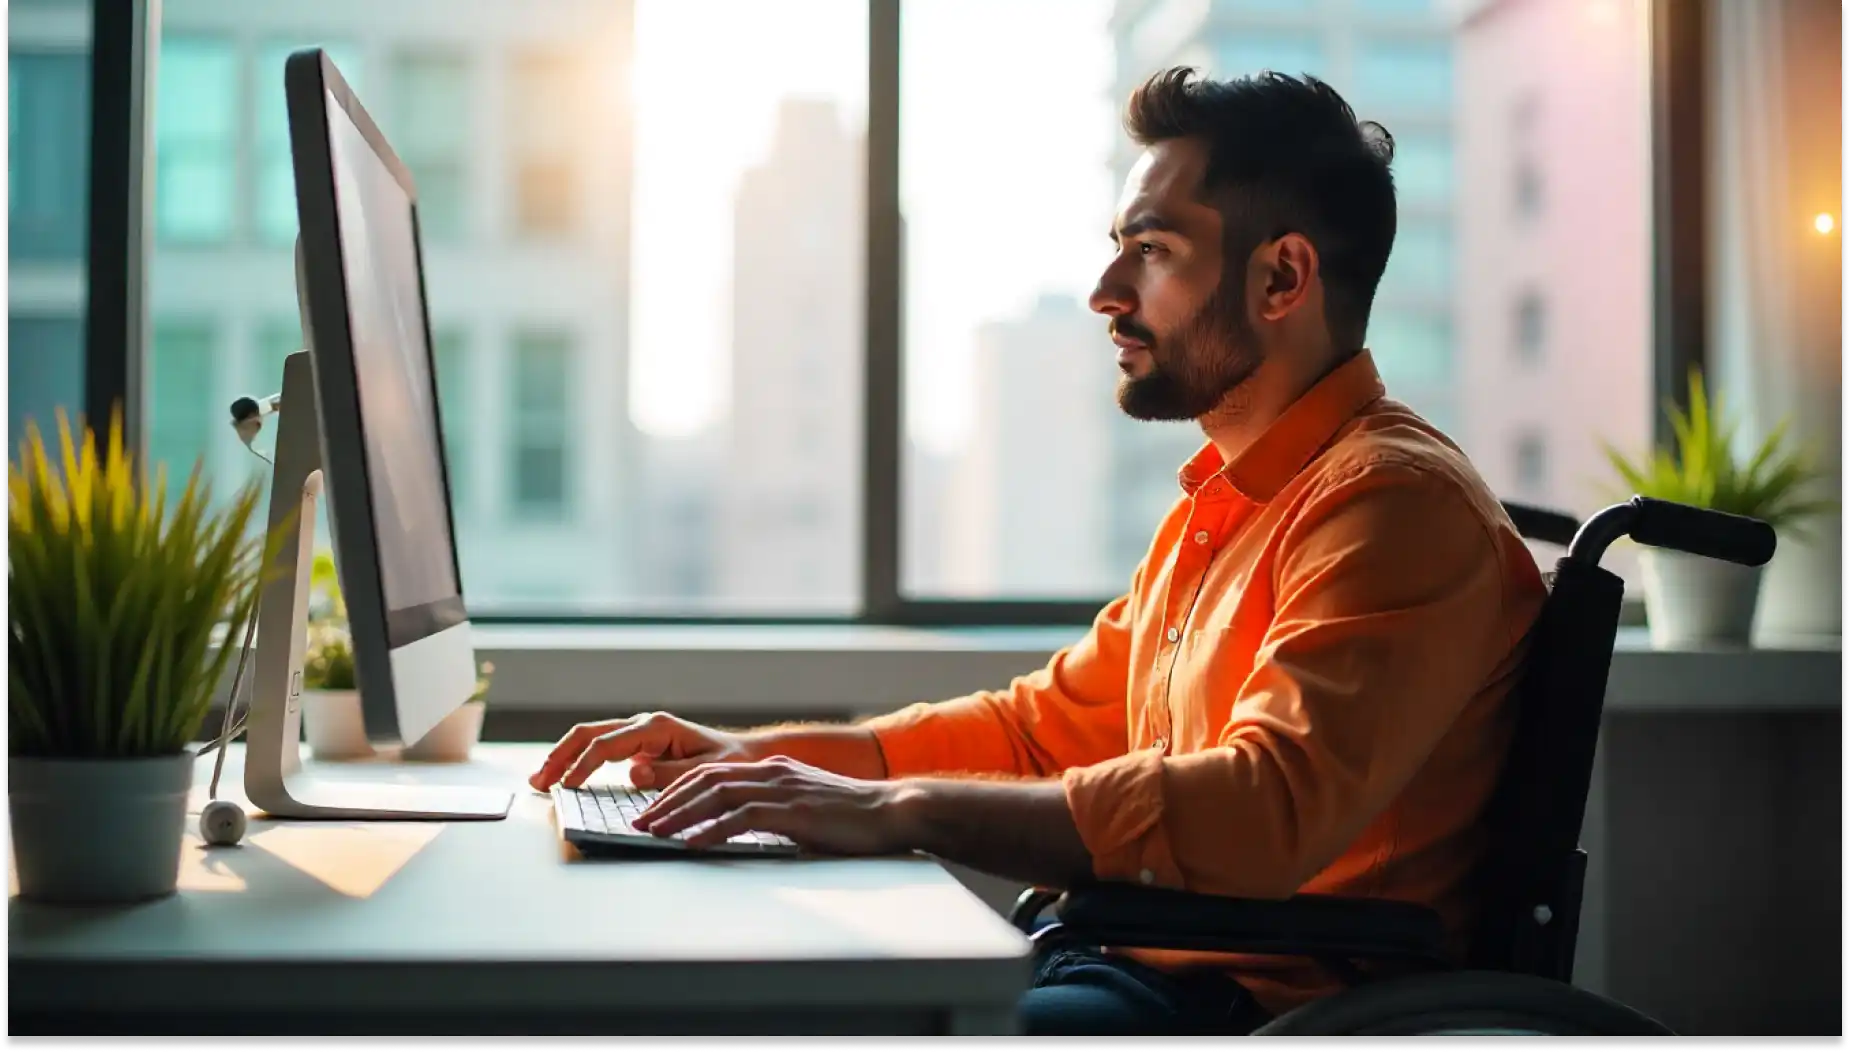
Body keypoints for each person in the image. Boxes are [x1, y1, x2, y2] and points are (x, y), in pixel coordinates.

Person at [530, 67, 1548, 1036]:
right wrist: (762, 761)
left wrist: (893, 810)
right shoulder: (1230, 502)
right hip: (1130, 967)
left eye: (1151, 250)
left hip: (1254, 1006)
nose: (1106, 289)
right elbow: (1038, 732)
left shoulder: (1392, 503)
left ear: (1280, 276)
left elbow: (1265, 809)